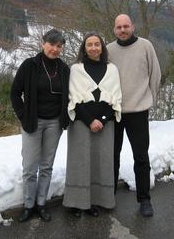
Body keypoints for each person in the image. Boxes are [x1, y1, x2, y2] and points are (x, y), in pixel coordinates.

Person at [10, 29, 70, 222]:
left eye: (58, 46)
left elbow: (70, 95)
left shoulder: (63, 69)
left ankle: (41, 203)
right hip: (33, 122)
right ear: (43, 43)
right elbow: (15, 93)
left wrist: (65, 118)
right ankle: (28, 205)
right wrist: (23, 115)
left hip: (55, 123)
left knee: (46, 166)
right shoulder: (30, 65)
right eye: (51, 44)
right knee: (29, 167)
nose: (54, 49)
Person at [107, 14, 161, 217]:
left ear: (133, 26)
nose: (123, 30)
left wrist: (150, 99)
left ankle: (144, 199)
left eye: (126, 26)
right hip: (115, 112)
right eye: (119, 27)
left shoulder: (145, 46)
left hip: (138, 111)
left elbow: (155, 75)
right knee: (112, 157)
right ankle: (109, 196)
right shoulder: (109, 50)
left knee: (141, 157)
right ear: (114, 29)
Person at [63, 32, 122, 218]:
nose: (94, 48)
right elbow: (73, 99)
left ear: (102, 47)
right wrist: (90, 120)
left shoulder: (112, 69)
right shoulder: (76, 69)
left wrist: (103, 120)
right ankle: (75, 202)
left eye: (97, 44)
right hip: (81, 123)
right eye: (90, 44)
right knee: (80, 163)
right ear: (84, 48)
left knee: (100, 163)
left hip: (105, 125)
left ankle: (93, 202)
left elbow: (116, 99)